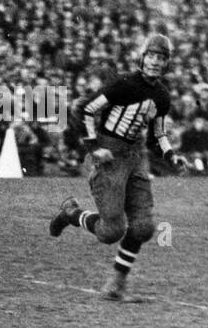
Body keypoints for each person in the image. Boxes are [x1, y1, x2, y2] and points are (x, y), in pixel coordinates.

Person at [49, 34, 189, 300]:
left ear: (167, 63)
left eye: (161, 58)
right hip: (110, 155)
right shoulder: (124, 83)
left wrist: (172, 156)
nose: (155, 62)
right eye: (152, 56)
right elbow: (85, 109)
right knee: (110, 231)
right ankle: (71, 213)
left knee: (143, 227)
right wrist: (94, 147)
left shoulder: (162, 95)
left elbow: (158, 134)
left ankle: (116, 284)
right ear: (143, 57)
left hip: (137, 156)